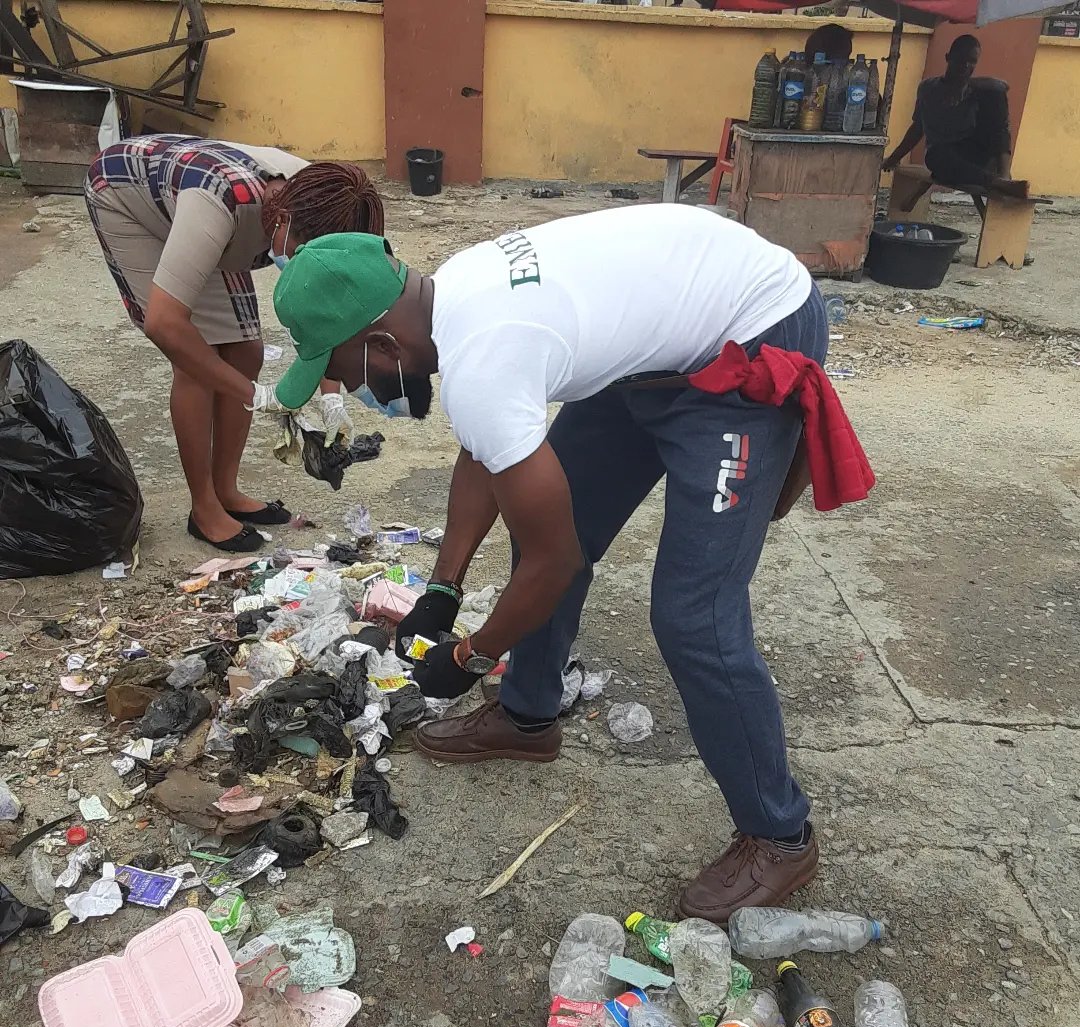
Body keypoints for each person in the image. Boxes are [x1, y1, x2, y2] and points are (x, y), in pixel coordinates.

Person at [264, 205, 874, 923]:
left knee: (694, 615)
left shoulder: (484, 352)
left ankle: (779, 834)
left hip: (751, 330)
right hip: (657, 348)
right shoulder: (449, 296)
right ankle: (528, 717)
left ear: (381, 344)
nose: (346, 391)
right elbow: (488, 450)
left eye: (338, 371)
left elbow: (554, 562)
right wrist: (442, 589)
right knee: (548, 521)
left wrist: (470, 655)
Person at [85, 136, 385, 551]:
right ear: (281, 221)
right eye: (303, 256)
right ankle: (204, 509)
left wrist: (331, 397)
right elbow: (165, 325)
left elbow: (327, 314)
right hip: (128, 197)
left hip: (209, 211)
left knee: (246, 350)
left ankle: (226, 490)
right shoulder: (219, 203)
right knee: (195, 359)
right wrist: (254, 395)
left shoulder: (328, 200)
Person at [882, 34, 1027, 199]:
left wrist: (964, 85)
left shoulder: (977, 89)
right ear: (948, 57)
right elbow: (917, 128)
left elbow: (1002, 86)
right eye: (960, 59)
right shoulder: (928, 88)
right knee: (935, 156)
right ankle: (999, 183)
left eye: (972, 61)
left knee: (996, 95)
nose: (965, 65)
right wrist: (894, 158)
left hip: (975, 153)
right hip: (946, 157)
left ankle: (1004, 176)